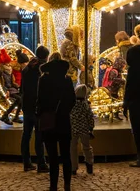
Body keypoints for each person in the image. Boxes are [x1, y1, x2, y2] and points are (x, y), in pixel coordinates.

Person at [37, 54, 76, 191]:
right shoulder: (67, 81)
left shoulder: (43, 80)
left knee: (52, 157)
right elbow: (72, 100)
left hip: (49, 121)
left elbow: (39, 101)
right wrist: (64, 112)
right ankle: (67, 185)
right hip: (64, 121)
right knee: (66, 155)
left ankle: (53, 185)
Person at [21, 45, 49, 173]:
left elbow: (23, 88)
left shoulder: (27, 68)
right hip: (37, 106)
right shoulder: (41, 69)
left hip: (27, 105)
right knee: (39, 135)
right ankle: (41, 163)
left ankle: (26, 162)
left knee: (26, 135)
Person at [70, 84, 95, 175]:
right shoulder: (85, 105)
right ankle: (89, 163)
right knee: (87, 147)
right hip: (84, 129)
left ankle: (73, 167)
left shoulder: (72, 104)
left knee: (73, 148)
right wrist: (91, 127)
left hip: (73, 129)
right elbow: (90, 117)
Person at [0, 49, 22, 125]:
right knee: (19, 99)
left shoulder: (9, 71)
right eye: (7, 63)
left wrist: (17, 85)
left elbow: (12, 82)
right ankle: (6, 115)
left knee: (21, 99)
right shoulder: (2, 72)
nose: (9, 64)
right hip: (7, 89)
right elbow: (2, 83)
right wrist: (6, 91)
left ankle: (13, 116)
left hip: (12, 88)